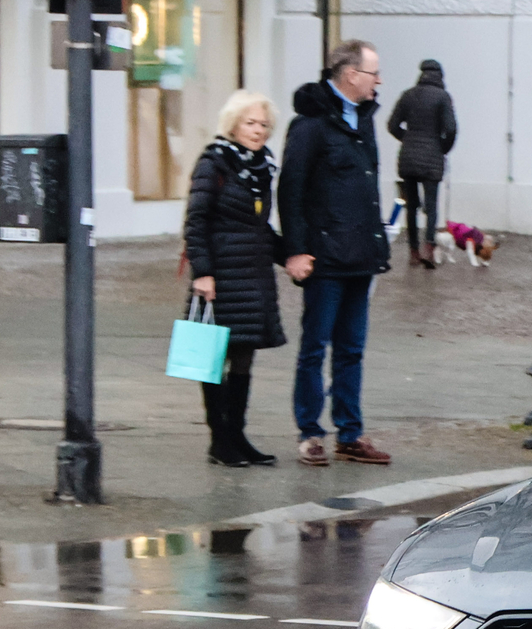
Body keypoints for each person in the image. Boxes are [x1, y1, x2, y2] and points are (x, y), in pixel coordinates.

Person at [280, 39, 394, 466]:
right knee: (315, 346)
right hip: (324, 257)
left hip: (360, 254)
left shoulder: (363, 120)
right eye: (373, 73)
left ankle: (350, 431)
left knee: (352, 349)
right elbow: (290, 190)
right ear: (350, 75)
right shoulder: (311, 125)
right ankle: (310, 432)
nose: (378, 81)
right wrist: (295, 250)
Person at [182, 90, 288, 467]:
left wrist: (288, 255)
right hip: (221, 277)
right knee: (213, 359)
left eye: (263, 124)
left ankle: (237, 434)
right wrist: (203, 273)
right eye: (250, 123)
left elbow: (260, 228)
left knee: (243, 359)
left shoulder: (263, 168)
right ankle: (219, 438)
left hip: (253, 276)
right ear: (233, 124)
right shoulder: (214, 163)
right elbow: (196, 221)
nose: (258, 131)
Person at [386, 59, 458, 268]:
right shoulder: (443, 97)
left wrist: (407, 139)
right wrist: (442, 147)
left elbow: (392, 125)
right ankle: (429, 247)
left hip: (408, 156)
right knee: (432, 205)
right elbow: (451, 129)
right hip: (432, 156)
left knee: (411, 206)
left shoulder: (408, 95)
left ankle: (413, 251)